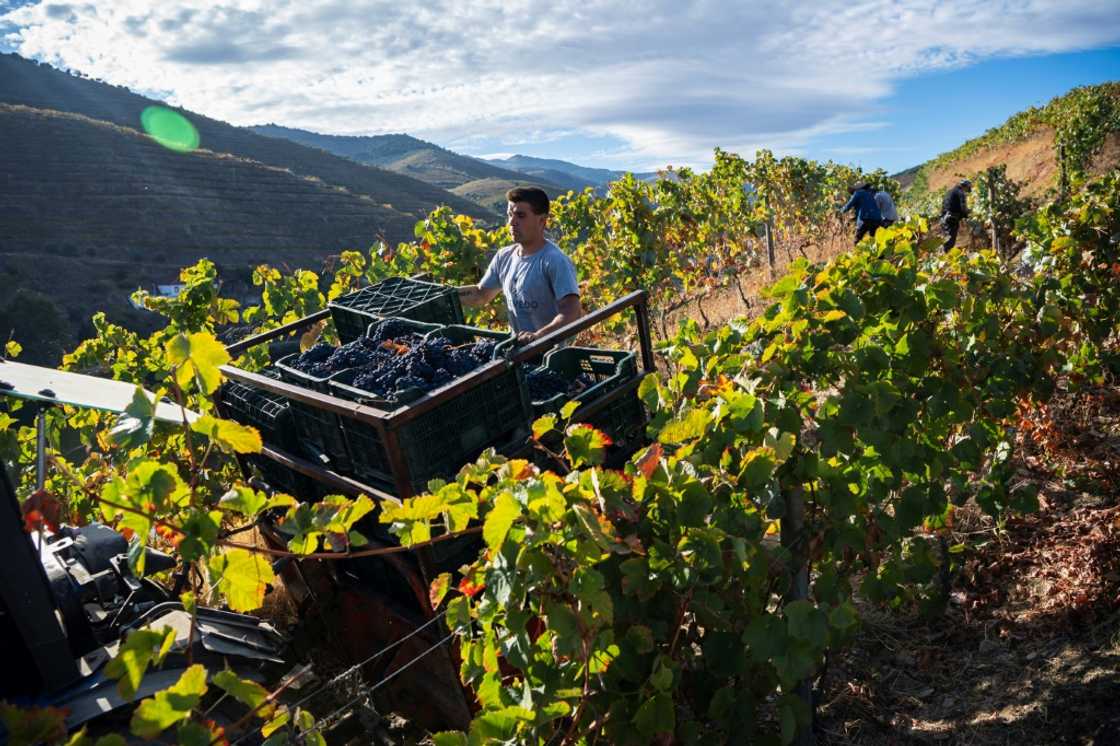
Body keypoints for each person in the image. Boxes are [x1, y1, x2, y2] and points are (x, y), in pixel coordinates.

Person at [458, 187, 582, 344]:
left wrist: (538, 337)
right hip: (518, 351)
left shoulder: (555, 261)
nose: (512, 222)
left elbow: (571, 313)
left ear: (542, 221)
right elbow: (480, 295)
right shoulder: (504, 256)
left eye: (521, 216)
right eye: (510, 215)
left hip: (549, 353)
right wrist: (446, 295)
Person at [940, 179, 972, 251]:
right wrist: (968, 213)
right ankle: (946, 256)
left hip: (944, 219)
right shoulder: (960, 193)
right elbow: (963, 207)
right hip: (952, 219)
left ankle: (943, 255)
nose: (967, 191)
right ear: (965, 187)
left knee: (945, 240)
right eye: (968, 189)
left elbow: (945, 205)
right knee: (950, 242)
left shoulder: (950, 192)